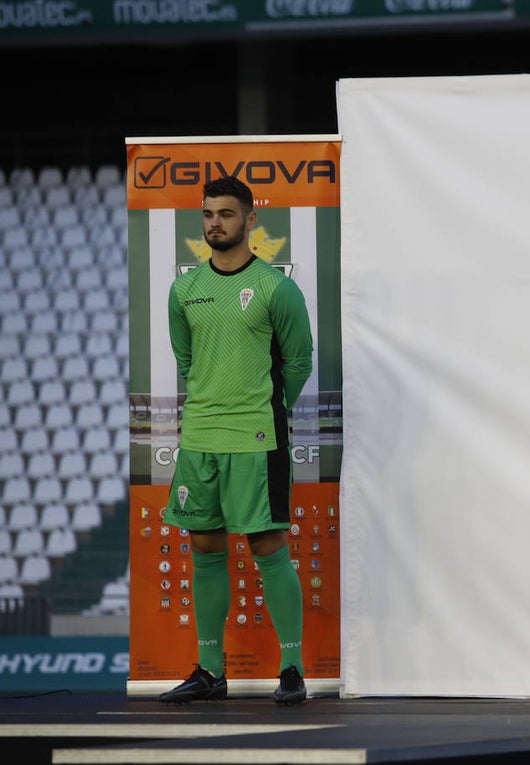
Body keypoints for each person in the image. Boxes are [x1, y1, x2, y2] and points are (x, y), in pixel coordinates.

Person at [158, 176, 314, 706]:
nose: (214, 223)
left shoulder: (276, 288)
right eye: (207, 214)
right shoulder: (184, 290)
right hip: (200, 435)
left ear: (250, 219)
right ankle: (210, 672)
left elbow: (298, 361)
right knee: (205, 547)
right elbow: (186, 360)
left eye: (225, 213)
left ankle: (292, 670)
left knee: (267, 546)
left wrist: (264, 406)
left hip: (256, 436)